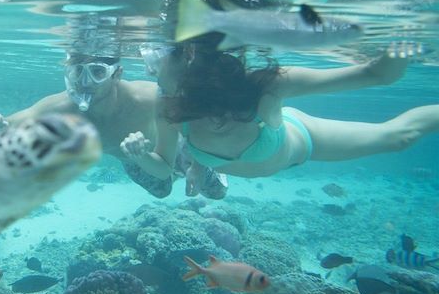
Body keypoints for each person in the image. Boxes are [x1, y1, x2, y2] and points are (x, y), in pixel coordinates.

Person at [120, 36, 439, 183]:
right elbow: (163, 166)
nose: (148, 70)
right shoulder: (168, 104)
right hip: (246, 156)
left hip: (300, 140)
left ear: (187, 53)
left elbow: (377, 74)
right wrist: (140, 157)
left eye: (152, 57)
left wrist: (403, 38)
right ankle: (201, 170)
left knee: (400, 138)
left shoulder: (267, 86)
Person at [0, 52, 228, 199]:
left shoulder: (148, 97)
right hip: (136, 159)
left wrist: (198, 163)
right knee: (162, 191)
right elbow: (8, 126)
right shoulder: (59, 107)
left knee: (216, 192)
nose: (85, 82)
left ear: (116, 74)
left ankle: (193, 169)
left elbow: (197, 118)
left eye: (97, 72)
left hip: (173, 144)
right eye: (77, 73)